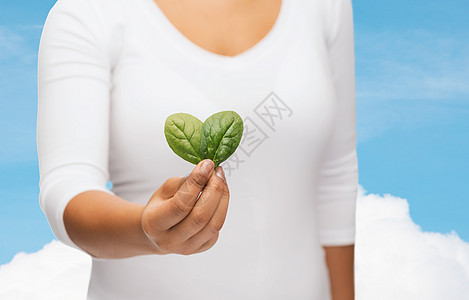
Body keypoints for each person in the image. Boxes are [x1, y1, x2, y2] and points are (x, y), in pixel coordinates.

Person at [36, 0, 358, 299]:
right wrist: (146, 230)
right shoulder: (89, 12)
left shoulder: (324, 6)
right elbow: (67, 188)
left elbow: (335, 177)